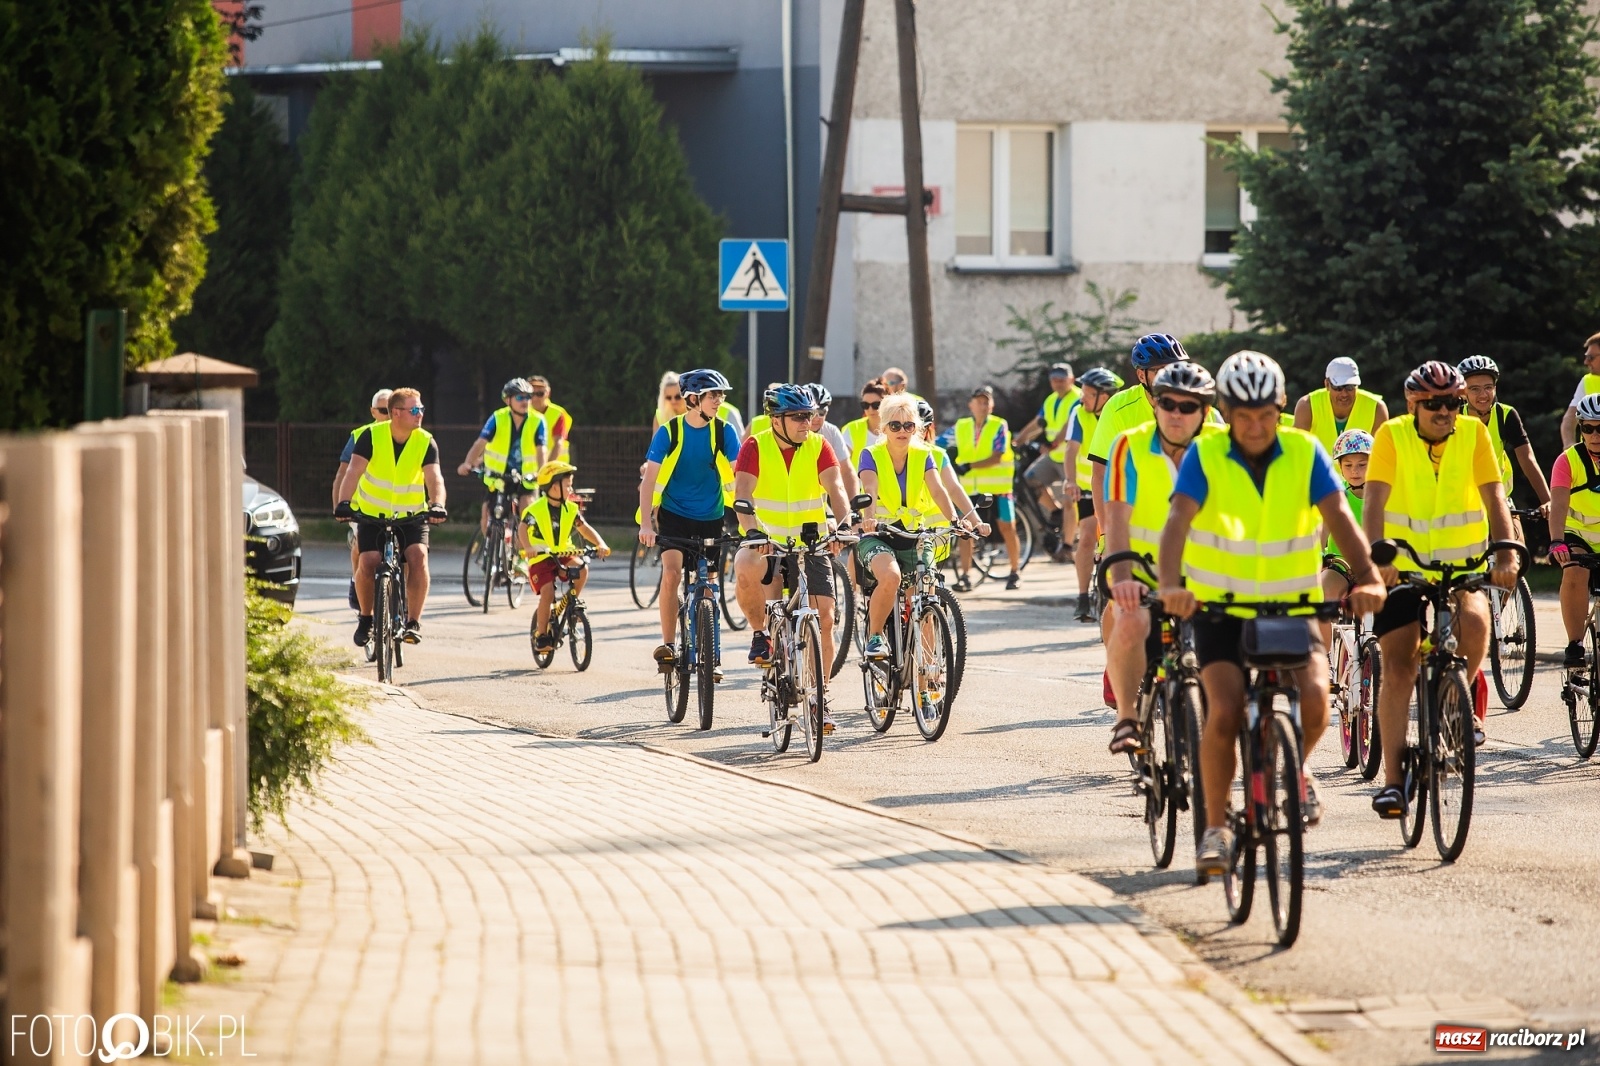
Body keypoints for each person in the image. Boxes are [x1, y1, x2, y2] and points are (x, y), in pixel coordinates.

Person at [1155, 352, 1385, 875]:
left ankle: (1295, 771)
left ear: (1280, 407)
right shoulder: (1206, 454)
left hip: (1294, 601)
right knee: (1226, 709)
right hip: (1219, 606)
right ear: (1227, 412)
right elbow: (1176, 523)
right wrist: (1171, 585)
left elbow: (1342, 520)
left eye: (1264, 413)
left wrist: (1368, 576)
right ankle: (1215, 828)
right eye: (1243, 415)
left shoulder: (1305, 452)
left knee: (1316, 698)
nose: (1255, 426)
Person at [1364, 360, 1516, 817]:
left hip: (1461, 563)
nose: (1446, 410)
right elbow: (1374, 500)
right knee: (1398, 667)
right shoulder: (1391, 435)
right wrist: (1378, 558)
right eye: (1435, 404)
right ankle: (1393, 782)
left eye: (1453, 401)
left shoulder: (1474, 434)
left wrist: (1506, 552)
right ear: (1413, 403)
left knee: (1474, 624)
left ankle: (1455, 697)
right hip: (1403, 570)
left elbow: (1493, 496)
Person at [1102, 363, 1223, 753]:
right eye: (1166, 403)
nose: (1175, 413)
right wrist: (1122, 577)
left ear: (1205, 411)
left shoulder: (1224, 446)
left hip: (1207, 574)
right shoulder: (1129, 445)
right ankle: (1126, 718)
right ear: (1153, 404)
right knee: (1131, 620)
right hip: (1143, 570)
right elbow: (1117, 515)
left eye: (1188, 406)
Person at [732, 384, 853, 733]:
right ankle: (760, 635)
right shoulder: (755, 446)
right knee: (743, 568)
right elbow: (743, 494)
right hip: (767, 542)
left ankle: (820, 697)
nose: (808, 422)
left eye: (810, 415)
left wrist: (842, 527)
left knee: (825, 618)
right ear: (776, 419)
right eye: (799, 416)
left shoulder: (819, 445)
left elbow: (837, 490)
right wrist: (753, 533)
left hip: (811, 543)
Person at [637, 368, 742, 669]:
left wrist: (751, 522)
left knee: (708, 587)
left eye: (721, 394)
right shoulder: (669, 432)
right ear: (693, 399)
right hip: (674, 516)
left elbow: (740, 474)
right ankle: (669, 645)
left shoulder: (724, 431)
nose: (719, 400)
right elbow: (649, 481)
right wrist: (646, 524)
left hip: (711, 516)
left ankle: (712, 656)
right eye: (714, 395)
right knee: (671, 573)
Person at [335, 388, 449, 646]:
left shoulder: (425, 441)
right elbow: (352, 472)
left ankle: (413, 622)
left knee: (418, 557)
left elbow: (434, 478)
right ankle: (366, 618)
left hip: (411, 515)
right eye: (415, 410)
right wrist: (344, 502)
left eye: (421, 409)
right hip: (372, 514)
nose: (420, 414)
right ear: (396, 413)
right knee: (368, 561)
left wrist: (437, 504)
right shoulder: (370, 437)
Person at [856, 394, 967, 660]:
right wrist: (869, 518)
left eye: (908, 426)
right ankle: (875, 636)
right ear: (883, 428)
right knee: (891, 577)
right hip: (879, 535)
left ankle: (928, 673)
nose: (902, 431)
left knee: (925, 594)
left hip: (914, 535)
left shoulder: (923, 455)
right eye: (895, 425)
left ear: (917, 428)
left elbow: (939, 491)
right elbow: (869, 490)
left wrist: (955, 520)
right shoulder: (870, 454)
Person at [520, 461, 611, 652]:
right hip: (541, 557)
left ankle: (572, 603)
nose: (571, 488)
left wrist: (600, 544)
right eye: (567, 484)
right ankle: (542, 634)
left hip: (563, 553)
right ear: (554, 486)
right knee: (548, 593)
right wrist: (528, 547)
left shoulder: (571, 508)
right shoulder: (535, 509)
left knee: (582, 569)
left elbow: (584, 528)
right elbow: (522, 528)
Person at [1061, 368, 1122, 621]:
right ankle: (1083, 597)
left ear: (1104, 397)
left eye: (1088, 393)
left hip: (1119, 490)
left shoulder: (1120, 414)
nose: (1082, 397)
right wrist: (1071, 480)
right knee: (1087, 537)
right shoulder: (1079, 414)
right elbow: (1071, 450)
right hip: (1088, 488)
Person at [1546, 393, 1600, 669]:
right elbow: (1558, 505)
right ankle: (1575, 644)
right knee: (1575, 571)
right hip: (1576, 532)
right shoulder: (1568, 461)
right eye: (1588, 428)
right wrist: (1557, 542)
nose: (1594, 435)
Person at [1457, 355, 1551, 511]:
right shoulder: (1455, 416)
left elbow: (1527, 459)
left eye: (1488, 387)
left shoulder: (1506, 415)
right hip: (1464, 501)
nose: (1483, 395)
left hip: (1499, 498)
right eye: (1474, 389)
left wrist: (1547, 501)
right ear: (1463, 392)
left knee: (1514, 536)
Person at [951, 385, 1022, 590]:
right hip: (970, 488)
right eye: (979, 402)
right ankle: (965, 575)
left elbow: (998, 454)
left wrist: (969, 465)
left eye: (986, 402)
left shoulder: (999, 425)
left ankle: (1015, 572)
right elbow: (940, 442)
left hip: (998, 488)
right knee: (965, 530)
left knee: (1008, 527)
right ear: (970, 405)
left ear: (991, 405)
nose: (983, 405)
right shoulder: (961, 426)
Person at [457, 378, 548, 528]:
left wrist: (541, 471)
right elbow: (480, 443)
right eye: (520, 397)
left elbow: (541, 449)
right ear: (508, 400)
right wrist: (468, 462)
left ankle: (522, 549)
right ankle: (488, 548)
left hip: (526, 478)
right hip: (499, 477)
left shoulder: (538, 421)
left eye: (528, 397)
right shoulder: (497, 418)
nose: (525, 401)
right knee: (488, 516)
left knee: (527, 514)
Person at [334, 388, 392, 610]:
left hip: (397, 507)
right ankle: (355, 582)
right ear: (373, 412)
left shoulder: (407, 436)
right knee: (361, 546)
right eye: (382, 410)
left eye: (391, 410)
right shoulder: (360, 435)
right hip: (362, 506)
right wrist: (339, 504)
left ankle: (401, 598)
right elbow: (342, 472)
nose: (387, 415)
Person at [1017, 363, 1081, 563]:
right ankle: (1055, 511)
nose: (1058, 383)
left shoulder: (1078, 398)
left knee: (1071, 500)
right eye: (1054, 379)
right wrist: (1019, 439)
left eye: (1062, 379)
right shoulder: (1051, 400)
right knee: (1030, 480)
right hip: (1054, 457)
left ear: (1071, 379)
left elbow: (1068, 426)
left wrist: (1052, 443)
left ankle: (1068, 546)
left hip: (1072, 458)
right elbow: (1038, 423)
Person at [1318, 428, 1374, 649]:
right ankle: (1324, 658)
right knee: (1323, 594)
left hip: (1374, 565)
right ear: (1340, 467)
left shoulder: (1382, 496)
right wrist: (1318, 554)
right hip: (1340, 564)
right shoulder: (1337, 495)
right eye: (1348, 465)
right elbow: (1323, 530)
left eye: (1362, 464)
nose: (1355, 471)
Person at [1291, 357, 1389, 455]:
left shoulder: (1377, 408)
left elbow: (1380, 456)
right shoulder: (1307, 406)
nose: (1344, 394)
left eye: (1350, 387)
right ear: (1327, 385)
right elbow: (1297, 451)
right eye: (1338, 387)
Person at [805, 383, 859, 499]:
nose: (816, 417)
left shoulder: (831, 431)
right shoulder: (793, 431)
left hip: (818, 504)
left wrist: (855, 506)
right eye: (812, 412)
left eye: (821, 412)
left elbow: (846, 471)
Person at [1559, 332, 1600, 448]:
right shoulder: (1587, 382)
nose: (1586, 362)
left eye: (1590, 357)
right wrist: (1569, 446)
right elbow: (1569, 419)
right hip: (1593, 460)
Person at [526, 376, 572, 463]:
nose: (535, 398)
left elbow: (558, 443)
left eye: (540, 394)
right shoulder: (521, 413)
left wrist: (546, 469)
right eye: (531, 394)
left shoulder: (557, 414)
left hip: (557, 468)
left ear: (548, 393)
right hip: (530, 470)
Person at [841, 379, 887, 465]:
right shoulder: (852, 428)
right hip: (857, 479)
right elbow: (842, 460)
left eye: (876, 405)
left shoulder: (898, 428)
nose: (870, 409)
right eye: (865, 405)